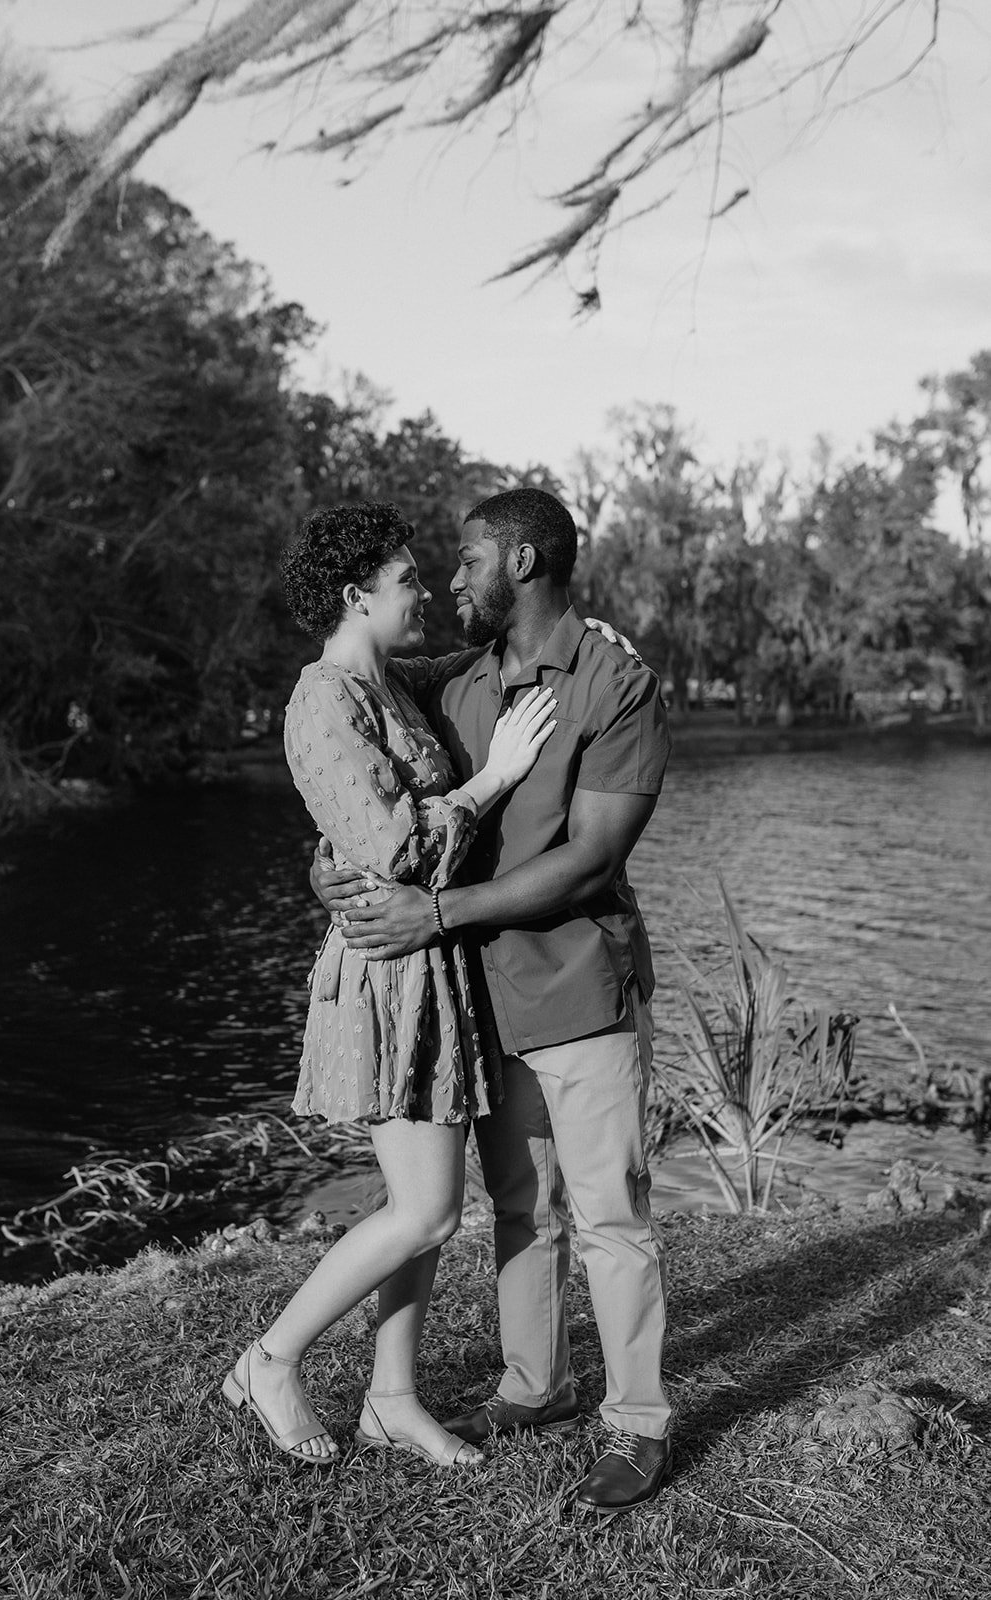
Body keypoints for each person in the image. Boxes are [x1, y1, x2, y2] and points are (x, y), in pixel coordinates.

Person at [317, 487, 673, 1514]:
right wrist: (321, 874)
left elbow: (590, 859)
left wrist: (434, 913)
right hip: (483, 1000)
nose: (451, 578)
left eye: (468, 560)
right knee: (522, 1207)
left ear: (520, 561)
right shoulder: (456, 681)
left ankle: (639, 1421)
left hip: (580, 988)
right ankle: (535, 1386)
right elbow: (358, 764)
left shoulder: (613, 679)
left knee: (610, 1215)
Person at [222, 501, 558, 1471]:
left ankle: (392, 1396)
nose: (423, 591)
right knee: (427, 1208)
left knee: (423, 1198)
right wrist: (491, 781)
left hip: (434, 973)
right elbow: (397, 847)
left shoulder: (393, 682)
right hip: (384, 972)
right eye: (408, 579)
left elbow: (463, 669)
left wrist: (569, 636)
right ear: (352, 594)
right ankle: (270, 1359)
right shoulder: (322, 700)